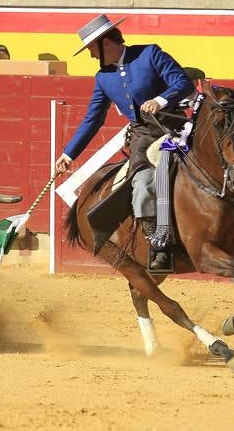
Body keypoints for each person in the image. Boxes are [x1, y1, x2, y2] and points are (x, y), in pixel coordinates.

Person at [54, 15, 195, 273]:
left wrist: (161, 100)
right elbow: (92, 119)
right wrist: (68, 154)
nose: (90, 56)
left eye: (91, 50)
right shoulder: (103, 78)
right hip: (144, 136)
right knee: (142, 184)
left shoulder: (149, 54)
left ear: (105, 43)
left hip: (175, 125)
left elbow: (183, 82)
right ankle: (159, 245)